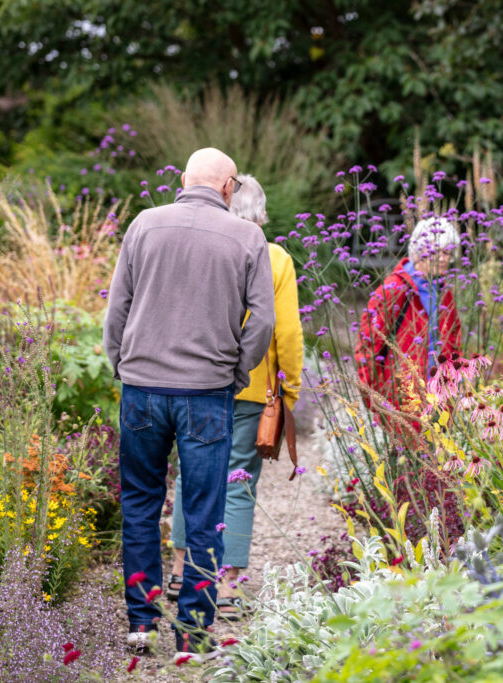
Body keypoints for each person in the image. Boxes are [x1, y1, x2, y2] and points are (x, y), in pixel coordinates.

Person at [103, 149, 274, 655]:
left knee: (139, 503)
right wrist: (236, 372)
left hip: (143, 388)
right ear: (229, 186)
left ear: (183, 180)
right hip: (206, 392)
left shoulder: (144, 225)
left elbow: (117, 309)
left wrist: (124, 366)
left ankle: (141, 623)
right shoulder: (248, 237)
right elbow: (261, 322)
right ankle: (193, 633)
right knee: (205, 510)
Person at [167, 175, 303, 620]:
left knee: (191, 474)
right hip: (252, 387)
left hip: (196, 382)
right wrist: (289, 390)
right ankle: (227, 587)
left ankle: (179, 571)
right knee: (239, 483)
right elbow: (284, 331)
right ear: (261, 215)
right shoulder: (275, 258)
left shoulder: (199, 245)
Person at [354, 216, 462, 430]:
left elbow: (454, 344)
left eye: (447, 253)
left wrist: (452, 387)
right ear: (417, 251)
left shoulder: (444, 293)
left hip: (439, 404)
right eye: (435, 251)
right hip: (401, 405)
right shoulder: (393, 289)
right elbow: (367, 348)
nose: (441, 258)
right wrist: (377, 402)